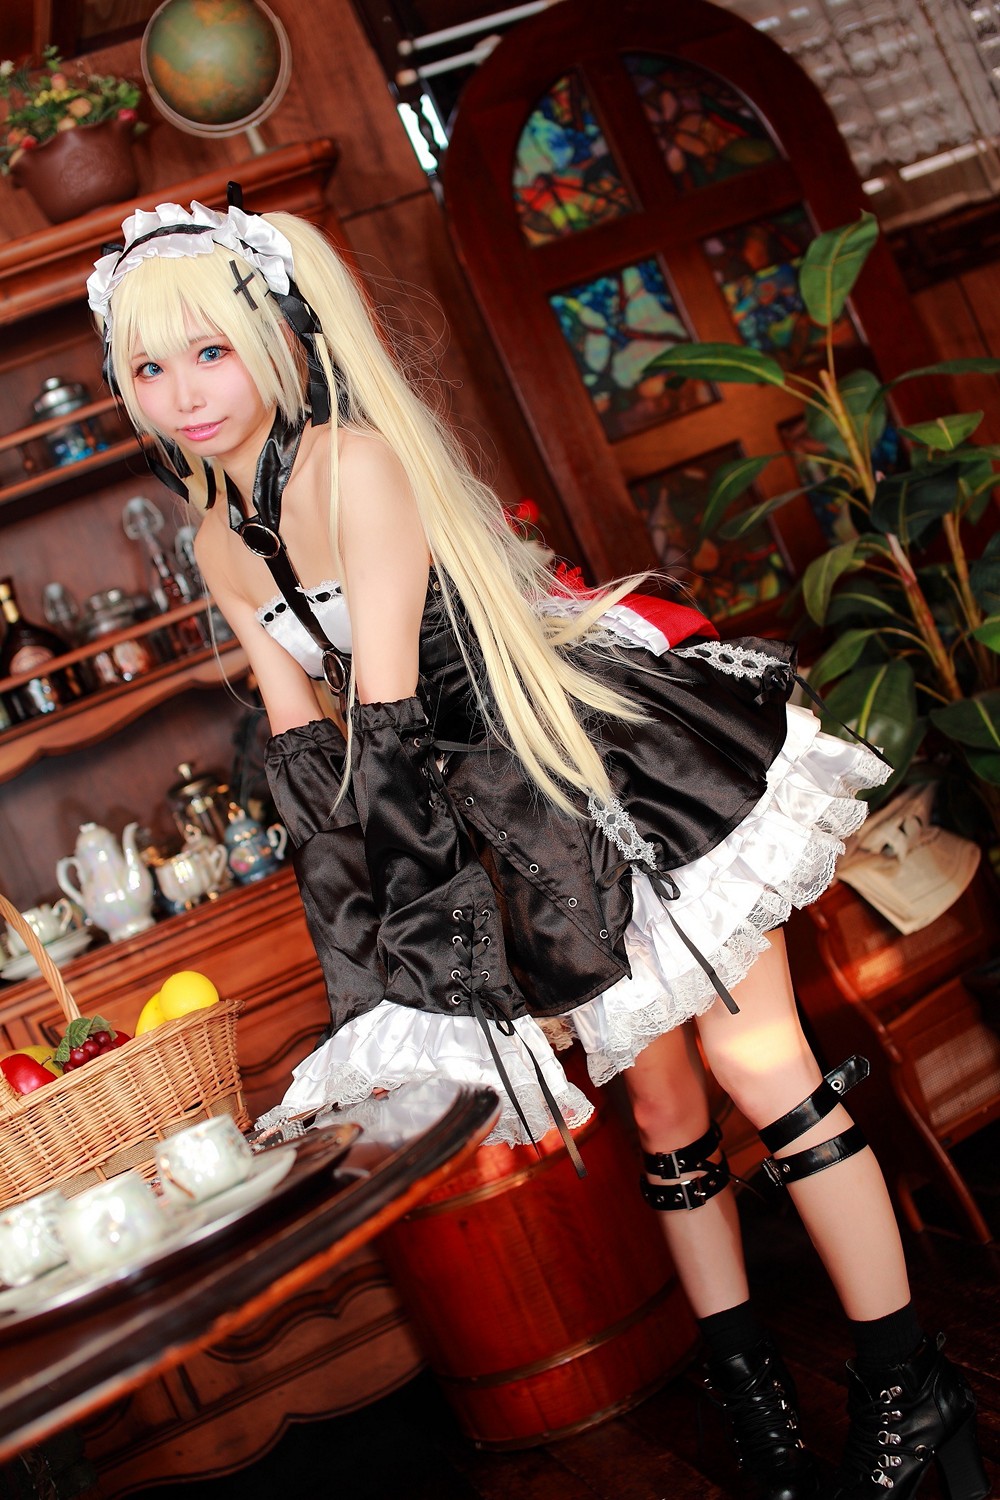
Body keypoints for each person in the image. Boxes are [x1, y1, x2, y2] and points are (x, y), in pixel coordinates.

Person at [88, 195, 988, 1500]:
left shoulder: (354, 463)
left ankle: (912, 1384)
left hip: (592, 773)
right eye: (150, 368)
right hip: (491, 824)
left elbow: (385, 710)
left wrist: (414, 962)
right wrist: (366, 974)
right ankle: (761, 1417)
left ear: (274, 336)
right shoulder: (216, 537)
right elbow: (308, 759)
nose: (183, 394)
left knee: (765, 1071)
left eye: (210, 351)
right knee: (663, 1109)